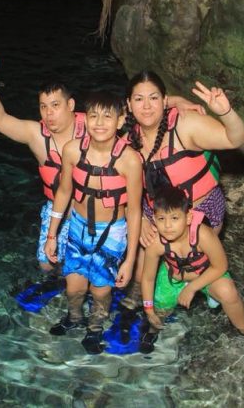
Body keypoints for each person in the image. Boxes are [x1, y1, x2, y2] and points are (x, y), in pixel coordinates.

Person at [118, 71, 244, 313]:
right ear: (129, 104)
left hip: (201, 206)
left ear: (164, 100)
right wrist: (136, 217)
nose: (146, 106)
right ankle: (137, 297)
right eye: (138, 99)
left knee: (191, 259)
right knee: (141, 257)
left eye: (154, 98)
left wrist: (225, 112)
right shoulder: (128, 140)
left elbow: (237, 138)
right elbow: (122, 189)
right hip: (156, 207)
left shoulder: (185, 125)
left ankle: (202, 283)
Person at [0, 47, 85, 274]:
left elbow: (134, 117)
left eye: (56, 105)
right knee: (46, 265)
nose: (49, 114)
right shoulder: (36, 136)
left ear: (71, 105)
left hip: (92, 212)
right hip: (57, 212)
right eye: (43, 107)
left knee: (84, 268)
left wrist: (171, 101)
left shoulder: (94, 128)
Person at [44, 91, 143, 354]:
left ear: (121, 120)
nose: (99, 123)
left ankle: (95, 328)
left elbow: (134, 211)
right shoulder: (72, 150)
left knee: (100, 291)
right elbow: (64, 191)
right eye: (93, 115)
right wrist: (52, 235)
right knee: (74, 284)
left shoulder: (130, 160)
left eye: (107, 116)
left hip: (111, 233)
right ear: (84, 118)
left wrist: (130, 258)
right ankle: (74, 317)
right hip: (77, 227)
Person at [139, 184, 244, 353]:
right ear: (154, 219)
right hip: (173, 277)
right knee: (159, 308)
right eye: (162, 219)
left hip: (204, 274)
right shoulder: (156, 244)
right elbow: (148, 278)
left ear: (188, 217)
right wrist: (148, 309)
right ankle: (153, 331)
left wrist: (191, 288)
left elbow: (220, 266)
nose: (168, 226)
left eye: (175, 218)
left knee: (228, 293)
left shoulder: (202, 234)